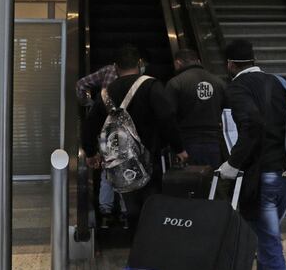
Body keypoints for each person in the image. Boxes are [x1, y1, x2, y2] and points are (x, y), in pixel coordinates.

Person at [82, 44, 186, 230]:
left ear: (115, 67)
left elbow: (90, 125)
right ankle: (151, 242)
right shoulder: (152, 86)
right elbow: (167, 118)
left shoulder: (106, 93)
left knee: (130, 204)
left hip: (120, 161)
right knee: (151, 200)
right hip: (149, 155)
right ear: (139, 63)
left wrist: (90, 152)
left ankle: (135, 239)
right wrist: (179, 147)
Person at [218, 39, 286, 270]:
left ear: (230, 64)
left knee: (268, 244)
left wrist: (232, 163)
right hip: (285, 176)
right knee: (260, 238)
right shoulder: (279, 83)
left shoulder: (238, 87)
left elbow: (251, 123)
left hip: (263, 179)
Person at [164, 48, 227, 169]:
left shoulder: (175, 83)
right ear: (198, 61)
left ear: (178, 63)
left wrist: (177, 146)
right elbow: (227, 111)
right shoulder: (219, 82)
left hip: (187, 142)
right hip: (214, 142)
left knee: (190, 183)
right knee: (211, 182)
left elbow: (168, 117)